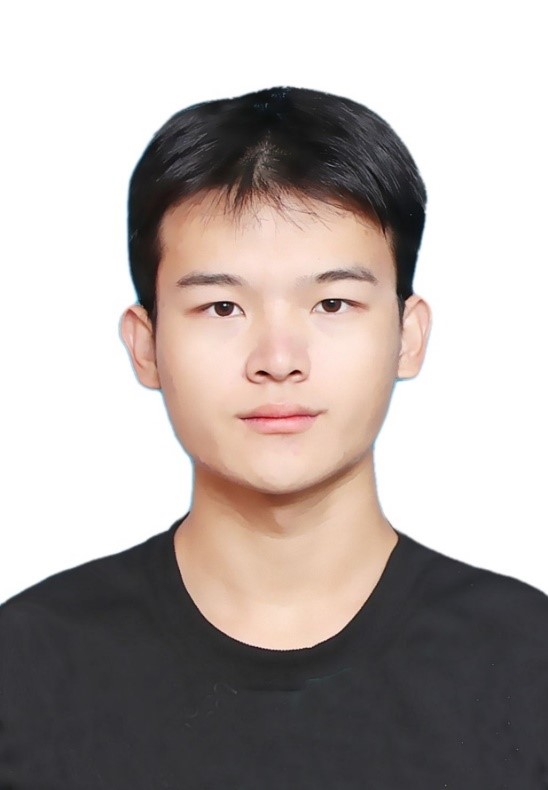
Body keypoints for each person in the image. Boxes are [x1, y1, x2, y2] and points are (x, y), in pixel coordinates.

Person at [1, 86, 546, 789]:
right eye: (222, 307)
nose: (278, 358)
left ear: (408, 337)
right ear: (146, 346)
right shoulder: (28, 666)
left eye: (332, 303)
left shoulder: (526, 662)